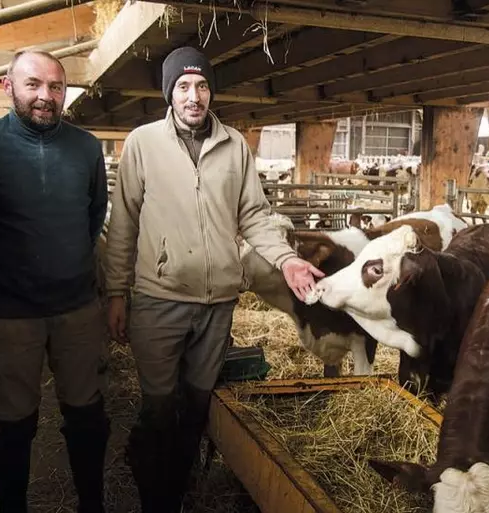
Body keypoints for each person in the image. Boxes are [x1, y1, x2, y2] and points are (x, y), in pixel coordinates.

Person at [104, 46, 324, 511]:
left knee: (198, 405)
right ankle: (153, 494)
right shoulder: (143, 143)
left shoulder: (235, 145)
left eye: (201, 85)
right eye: (183, 86)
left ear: (210, 91)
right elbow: (123, 221)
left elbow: (255, 215)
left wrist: (286, 259)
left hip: (218, 302)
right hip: (158, 299)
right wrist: (115, 292)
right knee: (160, 406)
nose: (194, 96)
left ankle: (179, 488)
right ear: (169, 93)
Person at [0, 50, 110, 513]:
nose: (45, 96)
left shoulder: (85, 147)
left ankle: (91, 503)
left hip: (76, 308)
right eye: (33, 84)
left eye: (56, 87)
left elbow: (94, 215)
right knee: (14, 420)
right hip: (8, 314)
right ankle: (13, 505)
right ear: (7, 85)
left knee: (87, 414)